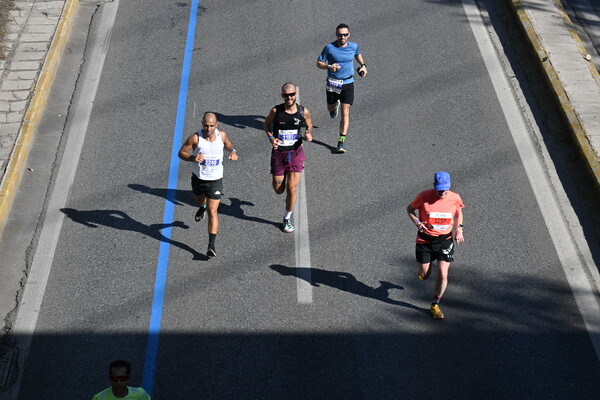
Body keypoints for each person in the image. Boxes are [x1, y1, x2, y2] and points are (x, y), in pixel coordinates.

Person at [178, 112, 238, 257]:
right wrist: (192, 158)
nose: (209, 128)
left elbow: (228, 144)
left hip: (215, 180)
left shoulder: (221, 135)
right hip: (198, 179)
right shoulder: (195, 138)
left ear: (216, 125)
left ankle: (211, 246)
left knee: (213, 212)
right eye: (206, 125)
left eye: (211, 126)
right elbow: (181, 153)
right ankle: (201, 207)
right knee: (199, 201)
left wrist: (233, 151)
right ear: (202, 124)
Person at [406, 171, 465, 320]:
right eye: (439, 190)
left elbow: (459, 212)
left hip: (444, 240)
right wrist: (417, 223)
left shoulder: (454, 198)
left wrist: (459, 229)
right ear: (434, 186)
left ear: (449, 186)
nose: (442, 193)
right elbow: (410, 209)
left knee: (443, 275)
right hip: (425, 241)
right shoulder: (423, 196)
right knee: (425, 275)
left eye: (445, 190)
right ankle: (422, 271)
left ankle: (435, 304)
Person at [264, 83, 313, 233]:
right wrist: (271, 138)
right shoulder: (276, 111)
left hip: (296, 153)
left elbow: (309, 125)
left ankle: (286, 218)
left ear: (295, 95)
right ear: (282, 96)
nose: (289, 97)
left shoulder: (303, 112)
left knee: (292, 189)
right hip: (279, 155)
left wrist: (308, 132)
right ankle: (281, 178)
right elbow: (266, 125)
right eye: (286, 95)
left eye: (292, 94)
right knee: (279, 189)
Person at [316, 23, 367, 153]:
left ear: (349, 35)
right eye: (340, 35)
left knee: (346, 113)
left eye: (345, 35)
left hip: (348, 83)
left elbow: (358, 54)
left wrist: (363, 65)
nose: (342, 37)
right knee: (330, 108)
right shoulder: (329, 48)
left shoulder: (353, 46)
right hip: (333, 82)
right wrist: (329, 67)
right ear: (336, 35)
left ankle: (341, 142)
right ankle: (334, 107)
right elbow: (319, 63)